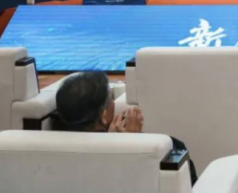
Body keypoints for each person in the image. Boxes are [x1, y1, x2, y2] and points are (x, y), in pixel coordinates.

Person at [55, 71, 198, 185]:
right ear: (104, 116)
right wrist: (135, 143)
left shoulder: (52, 148)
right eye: (111, 98)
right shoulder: (164, 147)